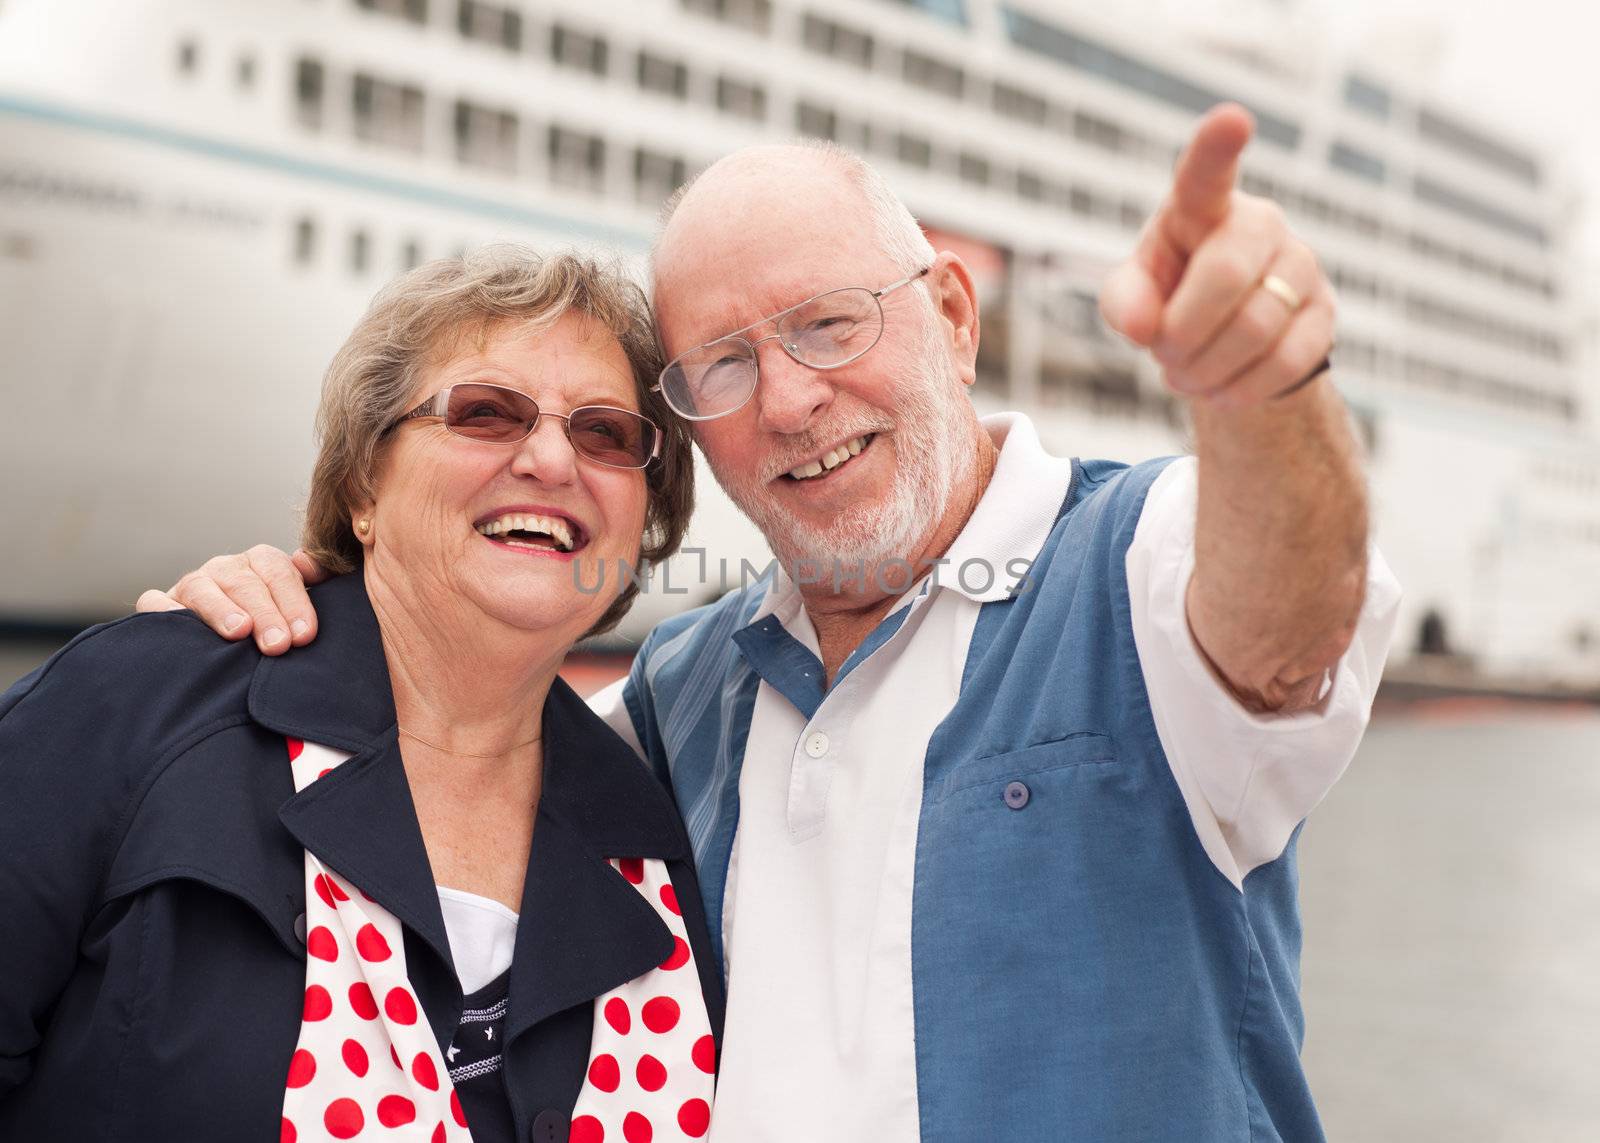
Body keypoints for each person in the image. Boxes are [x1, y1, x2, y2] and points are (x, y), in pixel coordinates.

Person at [142, 105, 1401, 1141]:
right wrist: (268, 621)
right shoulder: (672, 697)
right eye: (723, 368)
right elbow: (436, 756)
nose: (792, 400)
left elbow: (1285, 628)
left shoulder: (1131, 569)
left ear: (954, 320)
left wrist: (1259, 396)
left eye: (828, 323)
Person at [0, 250, 724, 1143]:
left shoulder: (659, 824)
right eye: (486, 412)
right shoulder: (139, 710)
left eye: (605, 433)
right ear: (361, 485)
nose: (549, 458)